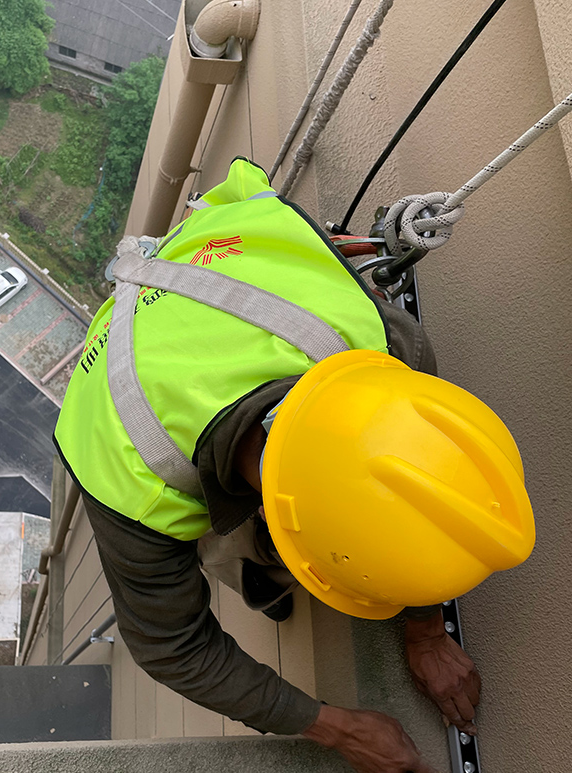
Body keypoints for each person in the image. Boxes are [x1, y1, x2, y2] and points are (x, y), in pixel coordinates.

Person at [53, 158, 535, 773]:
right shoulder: (124, 472)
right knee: (238, 562)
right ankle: (266, 574)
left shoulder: (382, 346)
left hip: (225, 257)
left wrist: (426, 630)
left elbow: (420, 478)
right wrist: (337, 728)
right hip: (127, 358)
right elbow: (171, 647)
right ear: (285, 523)